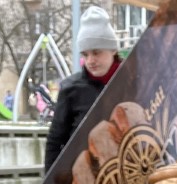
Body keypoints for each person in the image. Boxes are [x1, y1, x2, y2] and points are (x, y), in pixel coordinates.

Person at [43, 6, 122, 173]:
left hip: (128, 175)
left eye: (96, 52)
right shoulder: (71, 89)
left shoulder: (133, 81)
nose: (90, 60)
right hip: (87, 177)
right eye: (85, 55)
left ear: (113, 50)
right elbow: (55, 141)